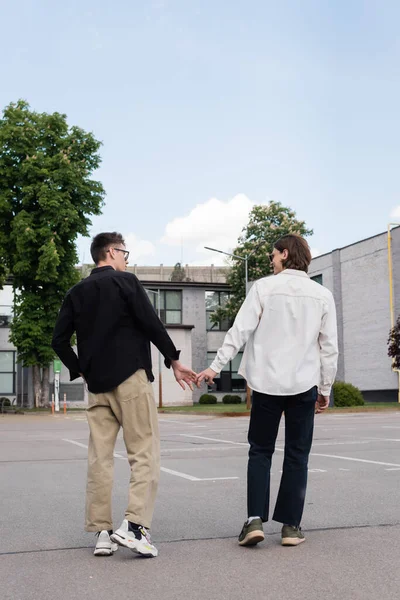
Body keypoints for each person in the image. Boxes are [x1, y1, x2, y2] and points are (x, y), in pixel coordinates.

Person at [52, 232, 197, 558]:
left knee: (99, 459)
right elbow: (151, 323)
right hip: (131, 378)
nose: (127, 259)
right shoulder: (126, 282)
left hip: (98, 387)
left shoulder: (76, 293)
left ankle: (102, 533)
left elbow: (58, 340)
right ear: (111, 252)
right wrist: (173, 359)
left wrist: (80, 370)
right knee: (144, 452)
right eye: (125, 252)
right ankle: (134, 526)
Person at [197, 234, 338, 547]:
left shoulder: (263, 288)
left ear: (285, 254)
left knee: (260, 451)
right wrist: (325, 387)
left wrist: (215, 366)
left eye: (273, 256)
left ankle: (254, 521)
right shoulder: (322, 295)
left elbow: (239, 331)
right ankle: (290, 526)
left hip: (266, 385)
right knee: (297, 454)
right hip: (304, 386)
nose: (271, 261)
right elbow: (329, 348)